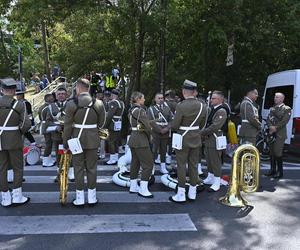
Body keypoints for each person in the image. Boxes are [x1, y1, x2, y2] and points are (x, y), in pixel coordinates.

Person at [63, 78, 106, 206]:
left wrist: (66, 142)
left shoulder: (71, 104)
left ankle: (80, 198)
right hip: (93, 139)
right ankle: (92, 198)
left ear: (78, 88)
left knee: (78, 168)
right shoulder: (98, 103)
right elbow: (102, 123)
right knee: (92, 168)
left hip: (77, 140)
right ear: (88, 88)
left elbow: (67, 126)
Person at [169, 80, 207, 203]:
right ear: (194, 92)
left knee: (181, 165)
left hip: (183, 138)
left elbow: (175, 125)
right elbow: (202, 124)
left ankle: (181, 194)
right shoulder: (203, 105)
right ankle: (192, 193)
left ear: (184, 92)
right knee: (194, 165)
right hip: (196, 137)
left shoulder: (181, 105)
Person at [0, 78, 31, 207]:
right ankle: (17, 196)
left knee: (1, 169)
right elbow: (26, 123)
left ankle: (5, 197)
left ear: (2, 90)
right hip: (14, 139)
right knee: (18, 168)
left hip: (0, 140)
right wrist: (19, 132)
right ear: (13, 91)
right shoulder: (20, 104)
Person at [45, 86, 75, 181]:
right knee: (59, 155)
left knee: (70, 153)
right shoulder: (51, 107)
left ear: (66, 95)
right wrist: (55, 127)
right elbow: (48, 121)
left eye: (63, 94)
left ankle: (71, 173)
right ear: (56, 96)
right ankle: (59, 174)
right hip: (57, 135)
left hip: (69, 134)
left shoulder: (72, 104)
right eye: (59, 94)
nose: (61, 95)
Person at [128, 91, 154, 198]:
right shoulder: (140, 111)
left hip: (133, 138)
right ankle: (143, 189)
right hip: (141, 140)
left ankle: (133, 186)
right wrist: (150, 136)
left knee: (135, 163)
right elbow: (147, 127)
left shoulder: (131, 110)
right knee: (148, 165)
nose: (144, 100)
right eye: (142, 98)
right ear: (138, 99)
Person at [201, 91, 227, 192]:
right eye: (211, 98)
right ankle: (210, 177)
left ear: (220, 99)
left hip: (215, 138)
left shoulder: (221, 111)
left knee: (215, 161)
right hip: (209, 138)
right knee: (208, 159)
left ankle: (217, 181)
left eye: (214, 98)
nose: (211, 100)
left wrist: (202, 132)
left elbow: (215, 126)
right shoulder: (212, 109)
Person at [265, 92, 291, 178]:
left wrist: (275, 128)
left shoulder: (287, 109)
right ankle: (273, 170)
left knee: (277, 152)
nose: (274, 98)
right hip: (272, 133)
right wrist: (270, 126)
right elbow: (268, 119)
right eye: (275, 97)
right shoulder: (272, 108)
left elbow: (284, 121)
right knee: (272, 152)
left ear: (282, 99)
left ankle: (280, 172)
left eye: (277, 97)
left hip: (280, 134)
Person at [148, 93, 172, 174]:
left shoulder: (167, 108)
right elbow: (150, 121)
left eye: (162, 98)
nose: (161, 99)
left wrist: (167, 129)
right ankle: (151, 167)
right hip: (155, 132)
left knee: (163, 150)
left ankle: (163, 166)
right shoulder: (151, 109)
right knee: (154, 150)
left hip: (165, 132)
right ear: (155, 99)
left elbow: (171, 120)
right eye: (159, 98)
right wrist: (159, 130)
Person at [105, 89, 125, 165]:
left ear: (113, 95)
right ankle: (115, 157)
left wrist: (105, 125)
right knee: (116, 141)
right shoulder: (121, 103)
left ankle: (112, 158)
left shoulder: (113, 102)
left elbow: (110, 115)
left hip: (112, 123)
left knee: (111, 141)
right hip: (119, 122)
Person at [38, 93, 56, 167]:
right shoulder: (48, 107)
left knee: (49, 143)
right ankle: (45, 161)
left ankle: (48, 159)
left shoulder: (42, 107)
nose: (53, 99)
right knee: (49, 144)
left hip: (44, 126)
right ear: (48, 99)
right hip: (47, 127)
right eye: (51, 98)